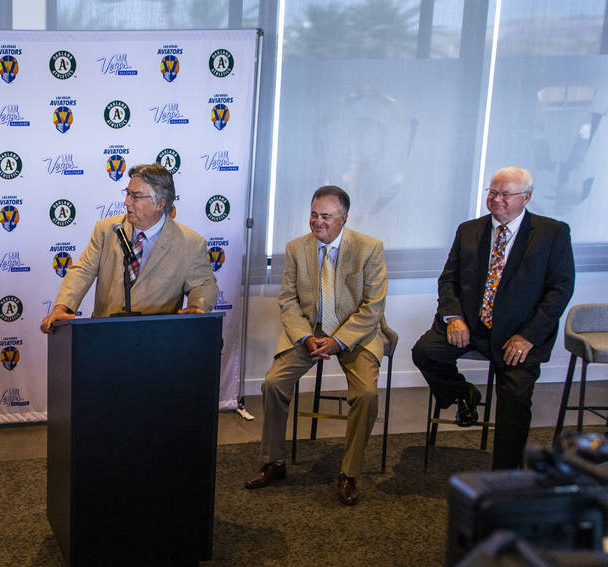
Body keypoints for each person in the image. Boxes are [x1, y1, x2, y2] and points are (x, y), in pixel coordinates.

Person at [412, 166, 574, 470]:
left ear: (525, 197)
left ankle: (505, 477)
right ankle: (463, 393)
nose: (496, 199)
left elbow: (560, 290)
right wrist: (454, 317)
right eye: (492, 192)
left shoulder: (552, 233)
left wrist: (528, 336)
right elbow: (448, 280)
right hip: (471, 325)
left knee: (514, 399)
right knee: (425, 352)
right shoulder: (469, 230)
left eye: (505, 194)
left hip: (518, 335)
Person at [245, 186, 387, 506]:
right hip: (309, 332)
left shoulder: (369, 248)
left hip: (355, 334)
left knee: (366, 394)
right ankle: (274, 462)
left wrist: (339, 341)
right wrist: (307, 337)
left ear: (343, 219)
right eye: (313, 214)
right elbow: (288, 301)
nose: (317, 222)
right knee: (273, 383)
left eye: (325, 216)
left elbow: (373, 306)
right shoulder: (297, 248)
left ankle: (349, 473)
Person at [39, 163, 217, 332]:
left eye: (136, 196)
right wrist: (62, 307)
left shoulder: (190, 242)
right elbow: (82, 271)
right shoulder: (106, 229)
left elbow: (203, 283)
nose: (126, 202)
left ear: (160, 203)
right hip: (105, 334)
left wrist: (197, 306)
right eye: (127, 193)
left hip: (159, 338)